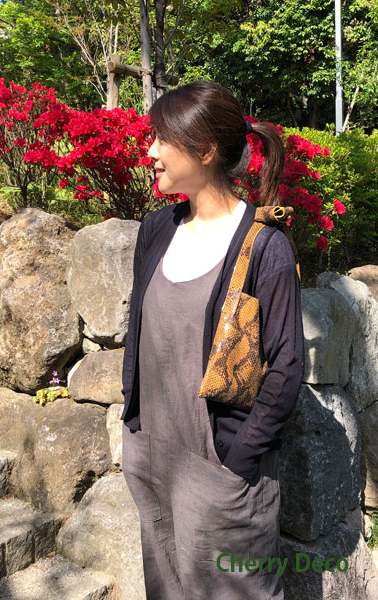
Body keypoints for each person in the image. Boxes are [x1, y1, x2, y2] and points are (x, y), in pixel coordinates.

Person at [120, 81, 305, 600]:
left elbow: (287, 364)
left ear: (204, 150)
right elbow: (141, 332)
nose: (150, 151)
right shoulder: (157, 229)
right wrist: (133, 429)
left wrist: (236, 461)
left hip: (220, 471)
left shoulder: (264, 246)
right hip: (154, 458)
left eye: (162, 139)